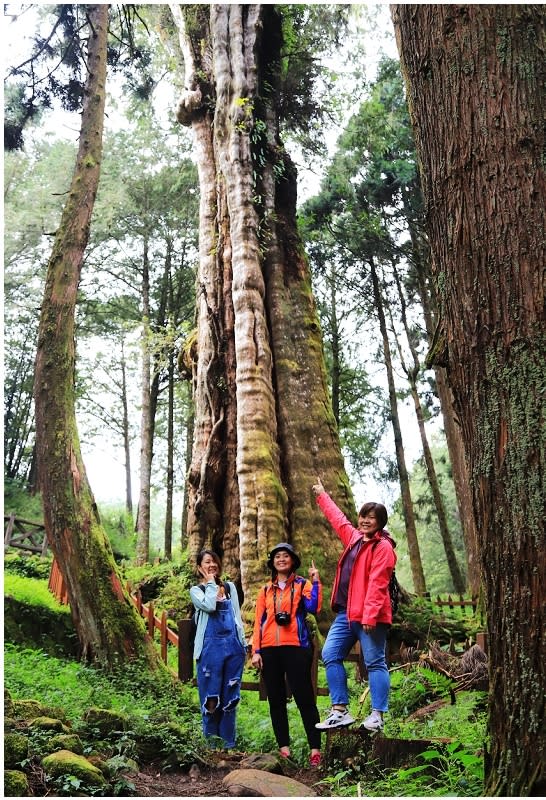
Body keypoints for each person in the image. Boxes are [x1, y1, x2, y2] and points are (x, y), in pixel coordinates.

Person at [312, 477, 396, 732]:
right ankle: (340, 710)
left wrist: (370, 616)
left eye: (372, 517)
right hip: (347, 614)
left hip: (371, 617)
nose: (365, 520)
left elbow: (378, 583)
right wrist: (322, 495)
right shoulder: (354, 539)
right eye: (363, 515)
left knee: (374, 663)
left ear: (380, 522)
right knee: (330, 654)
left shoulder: (383, 547)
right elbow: (339, 520)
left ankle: (377, 716)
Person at [251, 543, 323, 767]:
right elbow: (258, 622)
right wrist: (256, 650)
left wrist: (316, 581)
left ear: (293, 561)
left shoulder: (303, 584)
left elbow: (314, 608)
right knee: (276, 699)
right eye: (277, 557)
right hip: (270, 650)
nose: (281, 559)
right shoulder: (265, 590)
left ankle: (315, 750)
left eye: (286, 556)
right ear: (272, 562)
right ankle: (284, 749)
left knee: (305, 698)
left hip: (296, 647)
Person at [190, 549, 247, 750]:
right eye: (207, 562)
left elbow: (238, 618)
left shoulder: (230, 588)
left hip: (233, 648)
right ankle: (211, 746)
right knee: (211, 699)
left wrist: (243, 644)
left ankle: (228, 746)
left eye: (214, 561)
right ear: (200, 568)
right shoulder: (196, 591)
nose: (211, 565)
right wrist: (212, 583)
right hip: (209, 650)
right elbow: (210, 606)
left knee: (230, 699)